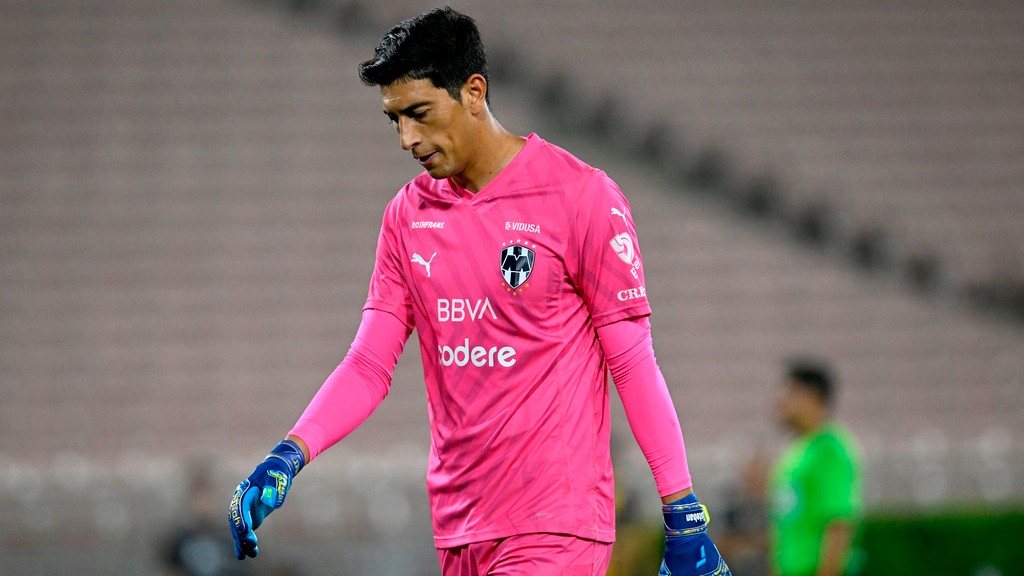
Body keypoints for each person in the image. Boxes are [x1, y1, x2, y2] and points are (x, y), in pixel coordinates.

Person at [228, 7, 730, 576]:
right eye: (394, 120)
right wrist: (289, 454)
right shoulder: (405, 216)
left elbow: (633, 362)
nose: (406, 139)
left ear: (473, 92)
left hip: (555, 523)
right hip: (458, 526)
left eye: (418, 113)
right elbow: (369, 363)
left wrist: (683, 511)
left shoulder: (582, 197)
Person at [768, 360, 863, 576]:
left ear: (812, 397)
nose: (779, 400)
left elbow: (839, 522)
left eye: (789, 391)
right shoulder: (797, 450)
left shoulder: (829, 450)